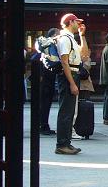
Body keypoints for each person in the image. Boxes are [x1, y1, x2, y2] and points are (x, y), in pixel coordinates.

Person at [55, 13, 90, 155]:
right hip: (68, 75)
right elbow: (64, 61)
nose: (79, 24)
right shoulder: (64, 39)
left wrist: (82, 36)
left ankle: (66, 142)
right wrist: (72, 83)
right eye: (77, 22)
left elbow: (84, 55)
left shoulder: (71, 39)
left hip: (73, 73)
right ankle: (62, 143)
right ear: (70, 22)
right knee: (66, 111)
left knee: (70, 111)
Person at [34, 27, 59, 136]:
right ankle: (43, 125)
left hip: (45, 80)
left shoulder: (43, 49)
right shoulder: (50, 48)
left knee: (44, 104)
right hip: (46, 80)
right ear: (53, 35)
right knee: (45, 104)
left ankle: (42, 124)